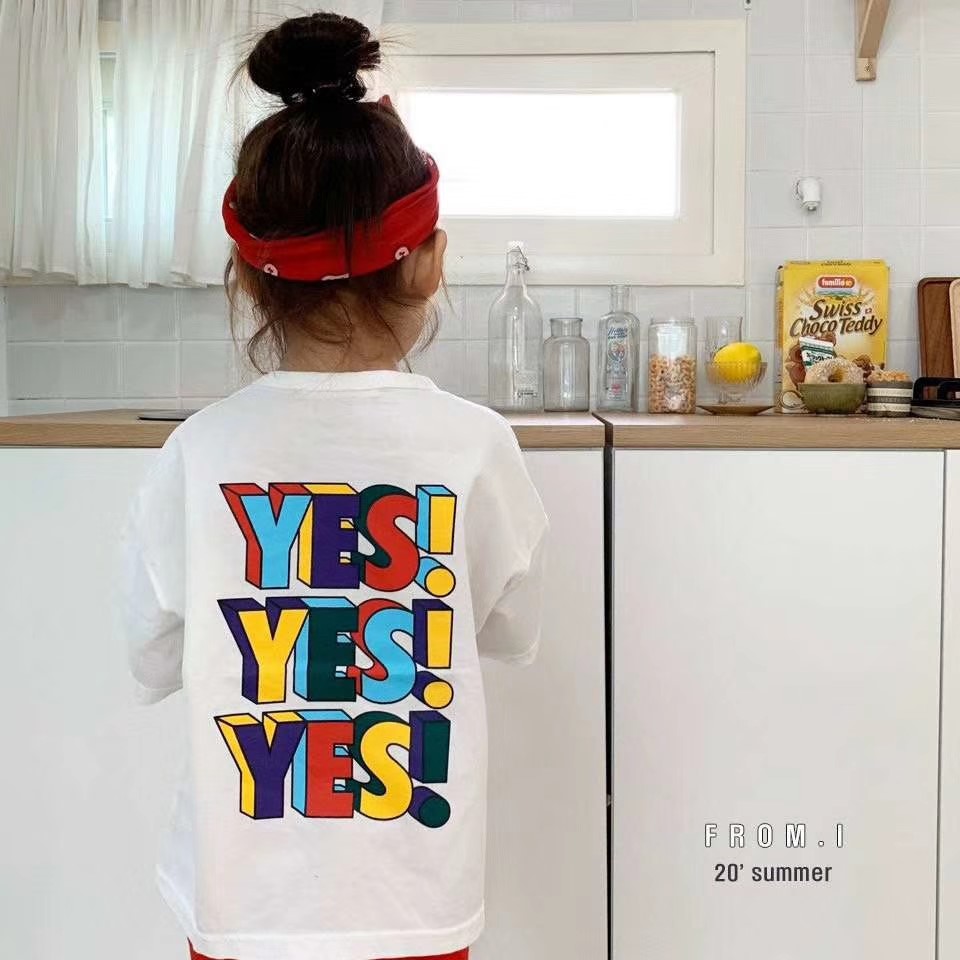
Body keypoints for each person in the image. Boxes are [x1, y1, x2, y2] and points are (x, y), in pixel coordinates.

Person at [118, 10, 549, 960]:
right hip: (416, 903)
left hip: (241, 907)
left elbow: (150, 656)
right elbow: (510, 629)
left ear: (248, 277)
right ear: (430, 261)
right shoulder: (477, 447)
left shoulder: (198, 453)